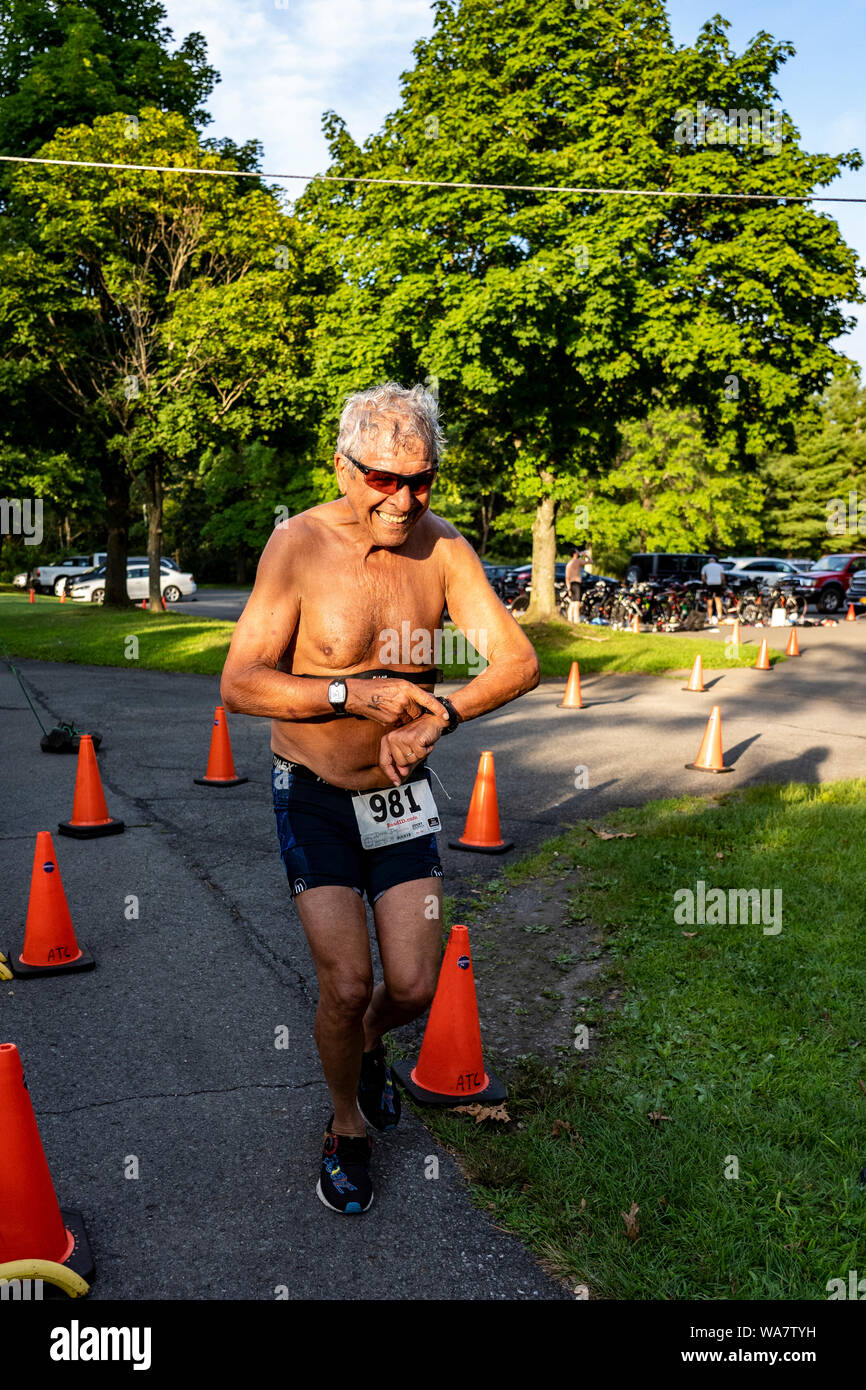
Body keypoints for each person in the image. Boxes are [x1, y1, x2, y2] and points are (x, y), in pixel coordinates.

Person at [220, 382, 539, 1214]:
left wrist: (442, 714)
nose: (403, 498)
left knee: (414, 986)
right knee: (348, 981)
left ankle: (365, 1049)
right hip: (314, 790)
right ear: (343, 468)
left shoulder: (445, 551)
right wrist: (347, 696)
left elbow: (517, 661)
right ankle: (346, 1125)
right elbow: (241, 683)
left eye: (421, 479)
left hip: (399, 797)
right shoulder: (296, 545)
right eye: (383, 479)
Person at [701, 555, 725, 625]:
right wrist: (723, 584)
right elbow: (722, 577)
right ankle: (719, 616)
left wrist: (706, 582)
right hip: (718, 584)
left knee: (709, 601)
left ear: (709, 561)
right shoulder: (720, 566)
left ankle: (710, 618)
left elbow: (703, 578)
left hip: (710, 584)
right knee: (718, 600)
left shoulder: (705, 567)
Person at [565, 548, 583, 623]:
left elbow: (567, 577)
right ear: (575, 553)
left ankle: (570, 618)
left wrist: (569, 588)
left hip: (571, 584)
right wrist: (585, 555)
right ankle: (576, 619)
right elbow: (591, 561)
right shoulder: (577, 561)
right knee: (577, 603)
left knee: (572, 602)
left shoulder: (569, 564)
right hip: (577, 583)